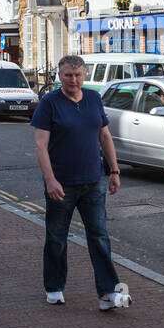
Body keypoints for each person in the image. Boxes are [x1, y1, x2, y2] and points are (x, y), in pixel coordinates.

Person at [31, 54, 130, 311]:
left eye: (77, 75)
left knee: (99, 236)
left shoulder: (94, 99)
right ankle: (54, 287)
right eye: (67, 75)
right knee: (56, 237)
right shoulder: (49, 103)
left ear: (84, 75)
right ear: (59, 76)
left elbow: (105, 136)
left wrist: (115, 171)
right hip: (61, 184)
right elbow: (40, 146)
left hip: (93, 181)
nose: (73, 80)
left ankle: (107, 292)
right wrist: (50, 180)